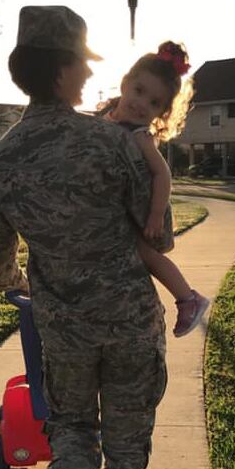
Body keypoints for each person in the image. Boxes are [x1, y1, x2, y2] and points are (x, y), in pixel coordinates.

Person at [0, 5, 171, 469]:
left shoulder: (4, 156)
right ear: (60, 71)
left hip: (62, 325)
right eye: (81, 66)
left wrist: (28, 279)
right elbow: (160, 236)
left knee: (72, 423)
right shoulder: (113, 143)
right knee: (129, 427)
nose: (89, 77)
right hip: (131, 319)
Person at [96, 41, 210, 337]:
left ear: (161, 113)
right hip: (121, 210)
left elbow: (162, 174)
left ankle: (188, 298)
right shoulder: (103, 120)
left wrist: (156, 215)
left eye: (154, 103)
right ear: (125, 84)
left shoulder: (139, 136)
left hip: (145, 211)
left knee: (147, 256)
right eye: (139, 91)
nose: (141, 104)